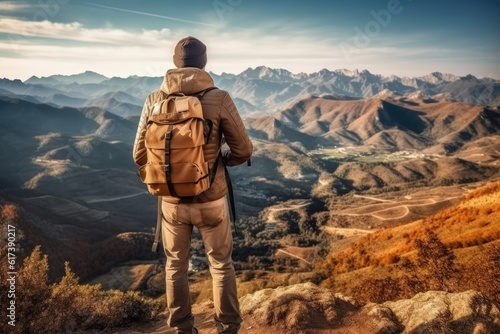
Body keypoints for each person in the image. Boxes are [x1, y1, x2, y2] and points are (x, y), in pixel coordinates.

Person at [133, 36, 253, 334]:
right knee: (221, 265)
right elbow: (244, 150)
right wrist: (218, 159)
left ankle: (183, 329)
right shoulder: (219, 97)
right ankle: (227, 328)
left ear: (175, 62)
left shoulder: (154, 100)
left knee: (175, 266)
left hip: (171, 202)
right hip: (211, 198)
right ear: (204, 63)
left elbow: (138, 155)